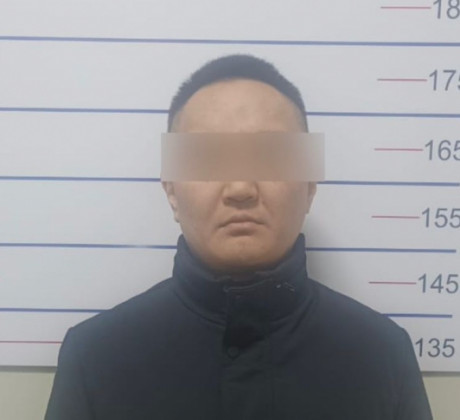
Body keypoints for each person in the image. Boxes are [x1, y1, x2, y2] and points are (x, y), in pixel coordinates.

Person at [45, 54, 433, 420]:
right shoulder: (94, 357)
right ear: (171, 190)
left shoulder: (383, 356)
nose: (241, 188)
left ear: (310, 185)